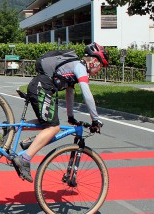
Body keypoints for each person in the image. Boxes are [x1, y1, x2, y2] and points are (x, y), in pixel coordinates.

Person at [13, 42, 109, 182]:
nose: (99, 70)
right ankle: (25, 159)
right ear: (94, 61)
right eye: (101, 66)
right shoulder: (80, 67)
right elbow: (86, 93)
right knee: (54, 127)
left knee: (48, 123)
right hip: (43, 87)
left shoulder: (73, 69)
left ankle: (11, 128)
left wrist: (71, 117)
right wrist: (95, 119)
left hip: (41, 86)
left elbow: (70, 93)